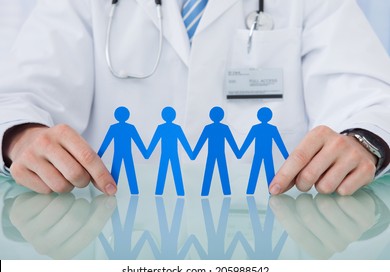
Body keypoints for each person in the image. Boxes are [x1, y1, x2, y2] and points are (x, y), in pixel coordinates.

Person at [1, 0, 390, 196]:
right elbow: (18, 96)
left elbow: (370, 99)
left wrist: (363, 141)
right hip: (110, 239)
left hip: (274, 239)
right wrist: (21, 136)